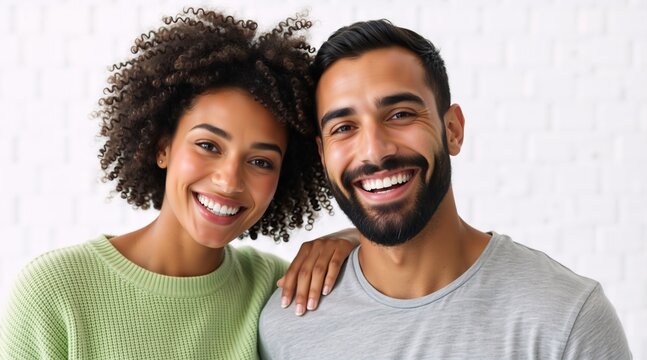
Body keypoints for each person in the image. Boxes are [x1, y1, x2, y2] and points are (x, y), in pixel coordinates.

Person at [0, 8, 359, 359]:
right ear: (162, 146)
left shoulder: (275, 288)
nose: (229, 180)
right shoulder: (55, 291)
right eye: (208, 145)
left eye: (260, 161)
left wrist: (352, 240)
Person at [259, 19, 632, 359]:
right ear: (323, 155)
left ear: (452, 129)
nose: (374, 151)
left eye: (400, 114)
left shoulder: (565, 318)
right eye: (344, 127)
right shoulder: (286, 328)